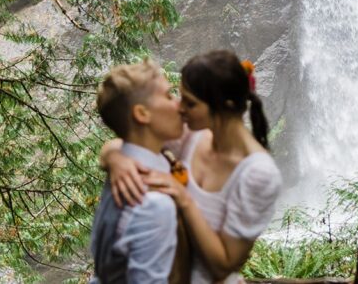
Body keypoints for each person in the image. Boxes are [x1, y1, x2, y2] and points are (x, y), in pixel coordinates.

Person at [102, 50, 281, 284]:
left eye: (190, 102)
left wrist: (183, 199)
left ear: (224, 106)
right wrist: (117, 160)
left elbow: (223, 265)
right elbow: (127, 141)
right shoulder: (191, 136)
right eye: (178, 96)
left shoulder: (258, 174)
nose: (179, 107)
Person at [90, 60, 184, 284]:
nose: (179, 104)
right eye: (169, 96)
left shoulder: (129, 166)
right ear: (142, 113)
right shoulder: (152, 204)